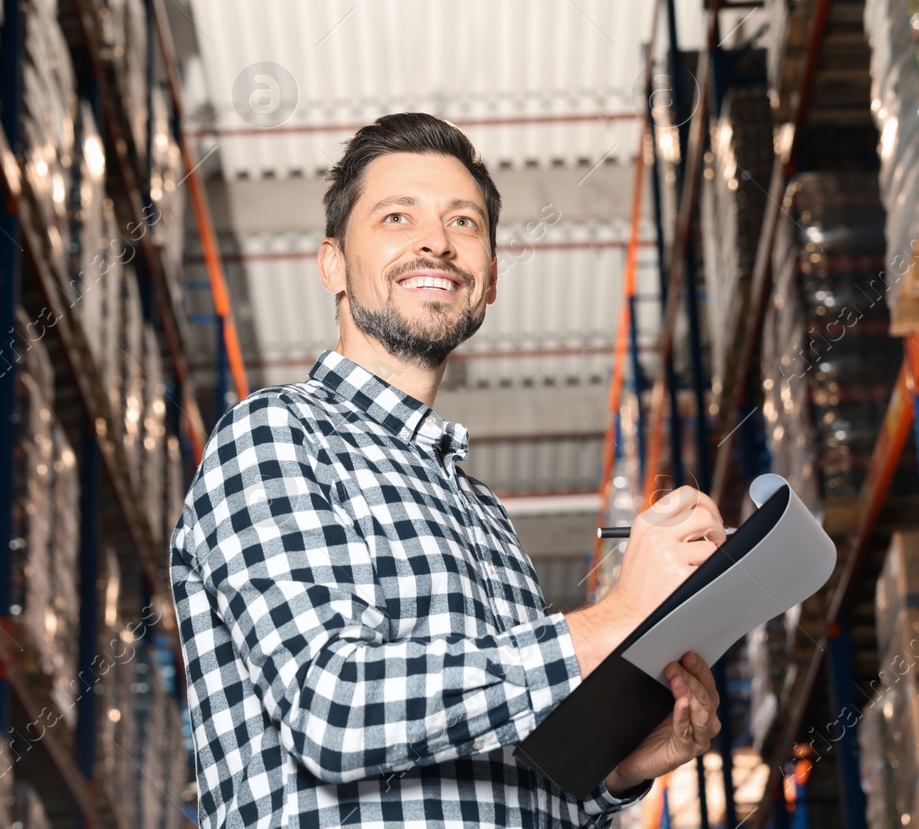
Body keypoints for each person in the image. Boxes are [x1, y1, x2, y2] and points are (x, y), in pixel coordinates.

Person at [171, 113, 728, 828]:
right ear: (332, 263)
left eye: (463, 222)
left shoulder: (481, 512)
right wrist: (617, 617)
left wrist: (616, 768)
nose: (435, 240)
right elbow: (333, 710)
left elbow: (499, 767)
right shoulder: (276, 435)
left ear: (489, 278)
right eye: (397, 215)